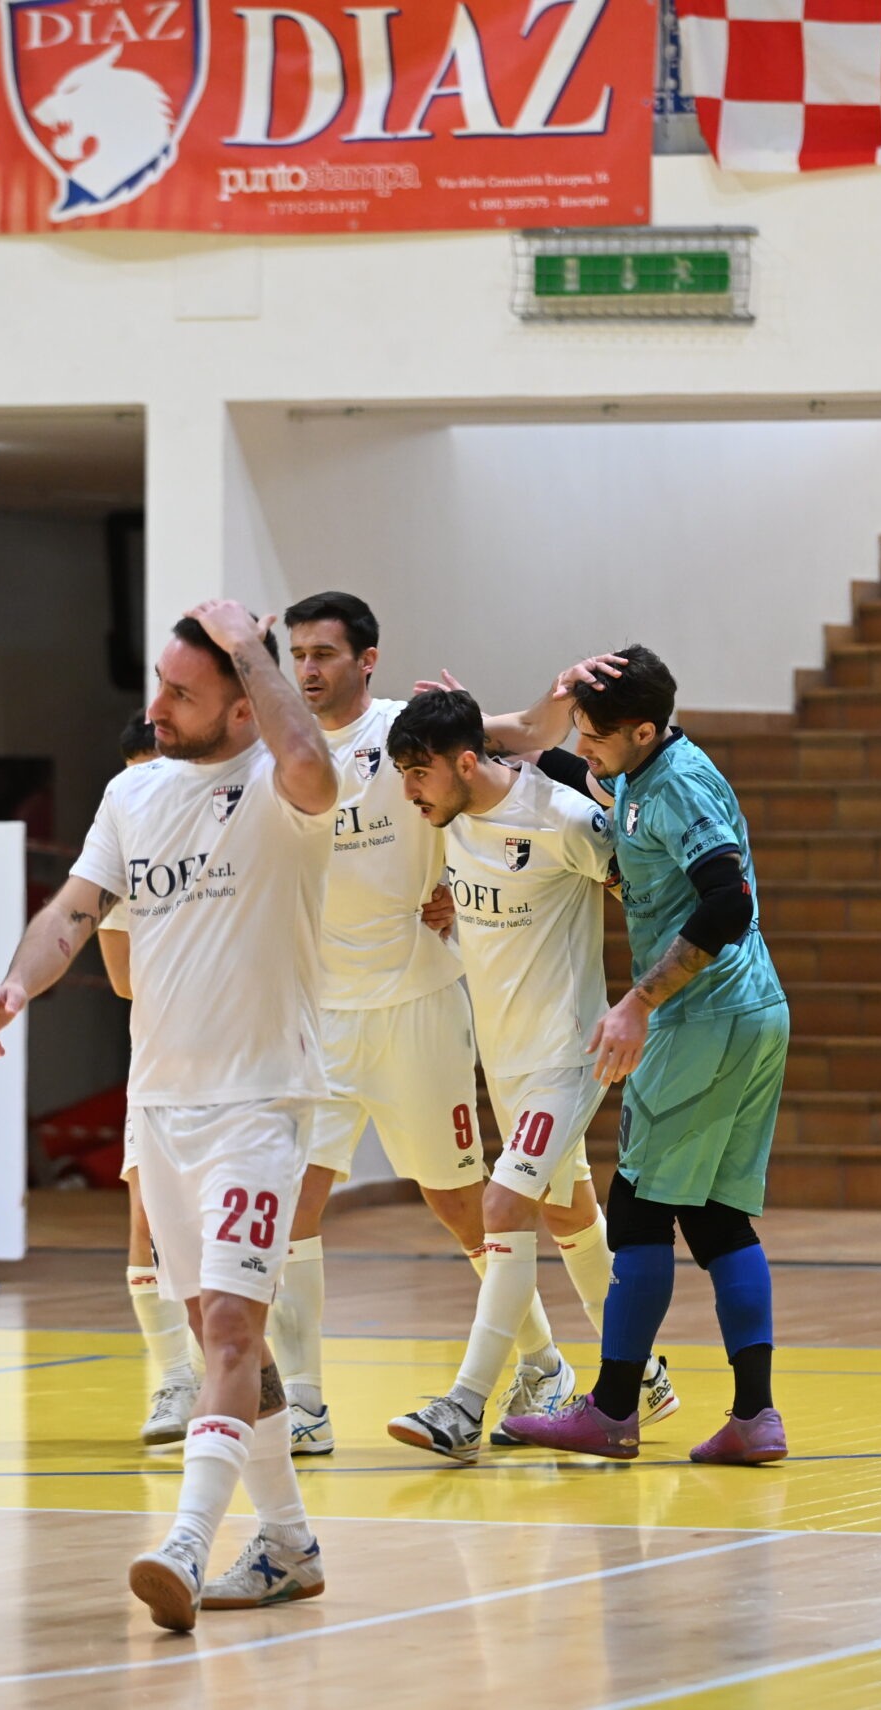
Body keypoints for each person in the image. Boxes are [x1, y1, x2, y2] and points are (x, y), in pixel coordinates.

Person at [0, 601, 336, 1631]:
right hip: (162, 1108)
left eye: (182, 691)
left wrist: (260, 654)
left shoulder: (284, 784)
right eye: (159, 683)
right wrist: (15, 984)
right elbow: (78, 908)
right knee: (219, 1332)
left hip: (259, 1105)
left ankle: (186, 1539)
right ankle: (287, 1543)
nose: (156, 706)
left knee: (228, 1325)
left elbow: (306, 753)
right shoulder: (132, 792)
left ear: (237, 707)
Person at [272, 596, 649, 1446]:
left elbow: (512, 733)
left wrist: (559, 702)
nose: (308, 669)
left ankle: (554, 1363)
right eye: (296, 653)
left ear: (367, 660)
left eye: (324, 652)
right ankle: (304, 1402)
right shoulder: (285, 756)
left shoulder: (408, 732)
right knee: (292, 1208)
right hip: (320, 1017)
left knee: (471, 1208)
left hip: (422, 1006)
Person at [499, 645, 792, 1466]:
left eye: (595, 733)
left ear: (642, 728)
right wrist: (521, 713)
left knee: (633, 1212)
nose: (583, 746)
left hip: (704, 1018)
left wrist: (638, 1003)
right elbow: (548, 758)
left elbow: (728, 901)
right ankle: (754, 1418)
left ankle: (615, 1408)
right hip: (751, 1012)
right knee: (715, 1217)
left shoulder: (679, 785)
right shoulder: (638, 766)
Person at [378, 688, 676, 1460]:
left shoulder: (561, 820)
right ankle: (642, 1373)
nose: (409, 791)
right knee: (570, 1213)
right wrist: (453, 905)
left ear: (465, 762)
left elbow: (649, 895)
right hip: (504, 1065)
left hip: (564, 1059)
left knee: (502, 1208)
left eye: (418, 774)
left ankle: (464, 1406)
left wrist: (637, 1005)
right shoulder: (451, 823)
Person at [96, 714, 207, 1449]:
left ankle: (281, 1388)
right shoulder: (121, 870)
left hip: (249, 1062)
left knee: (248, 1229)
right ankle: (174, 1379)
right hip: (162, 1063)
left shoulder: (232, 840)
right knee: (147, 1223)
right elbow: (123, 979)